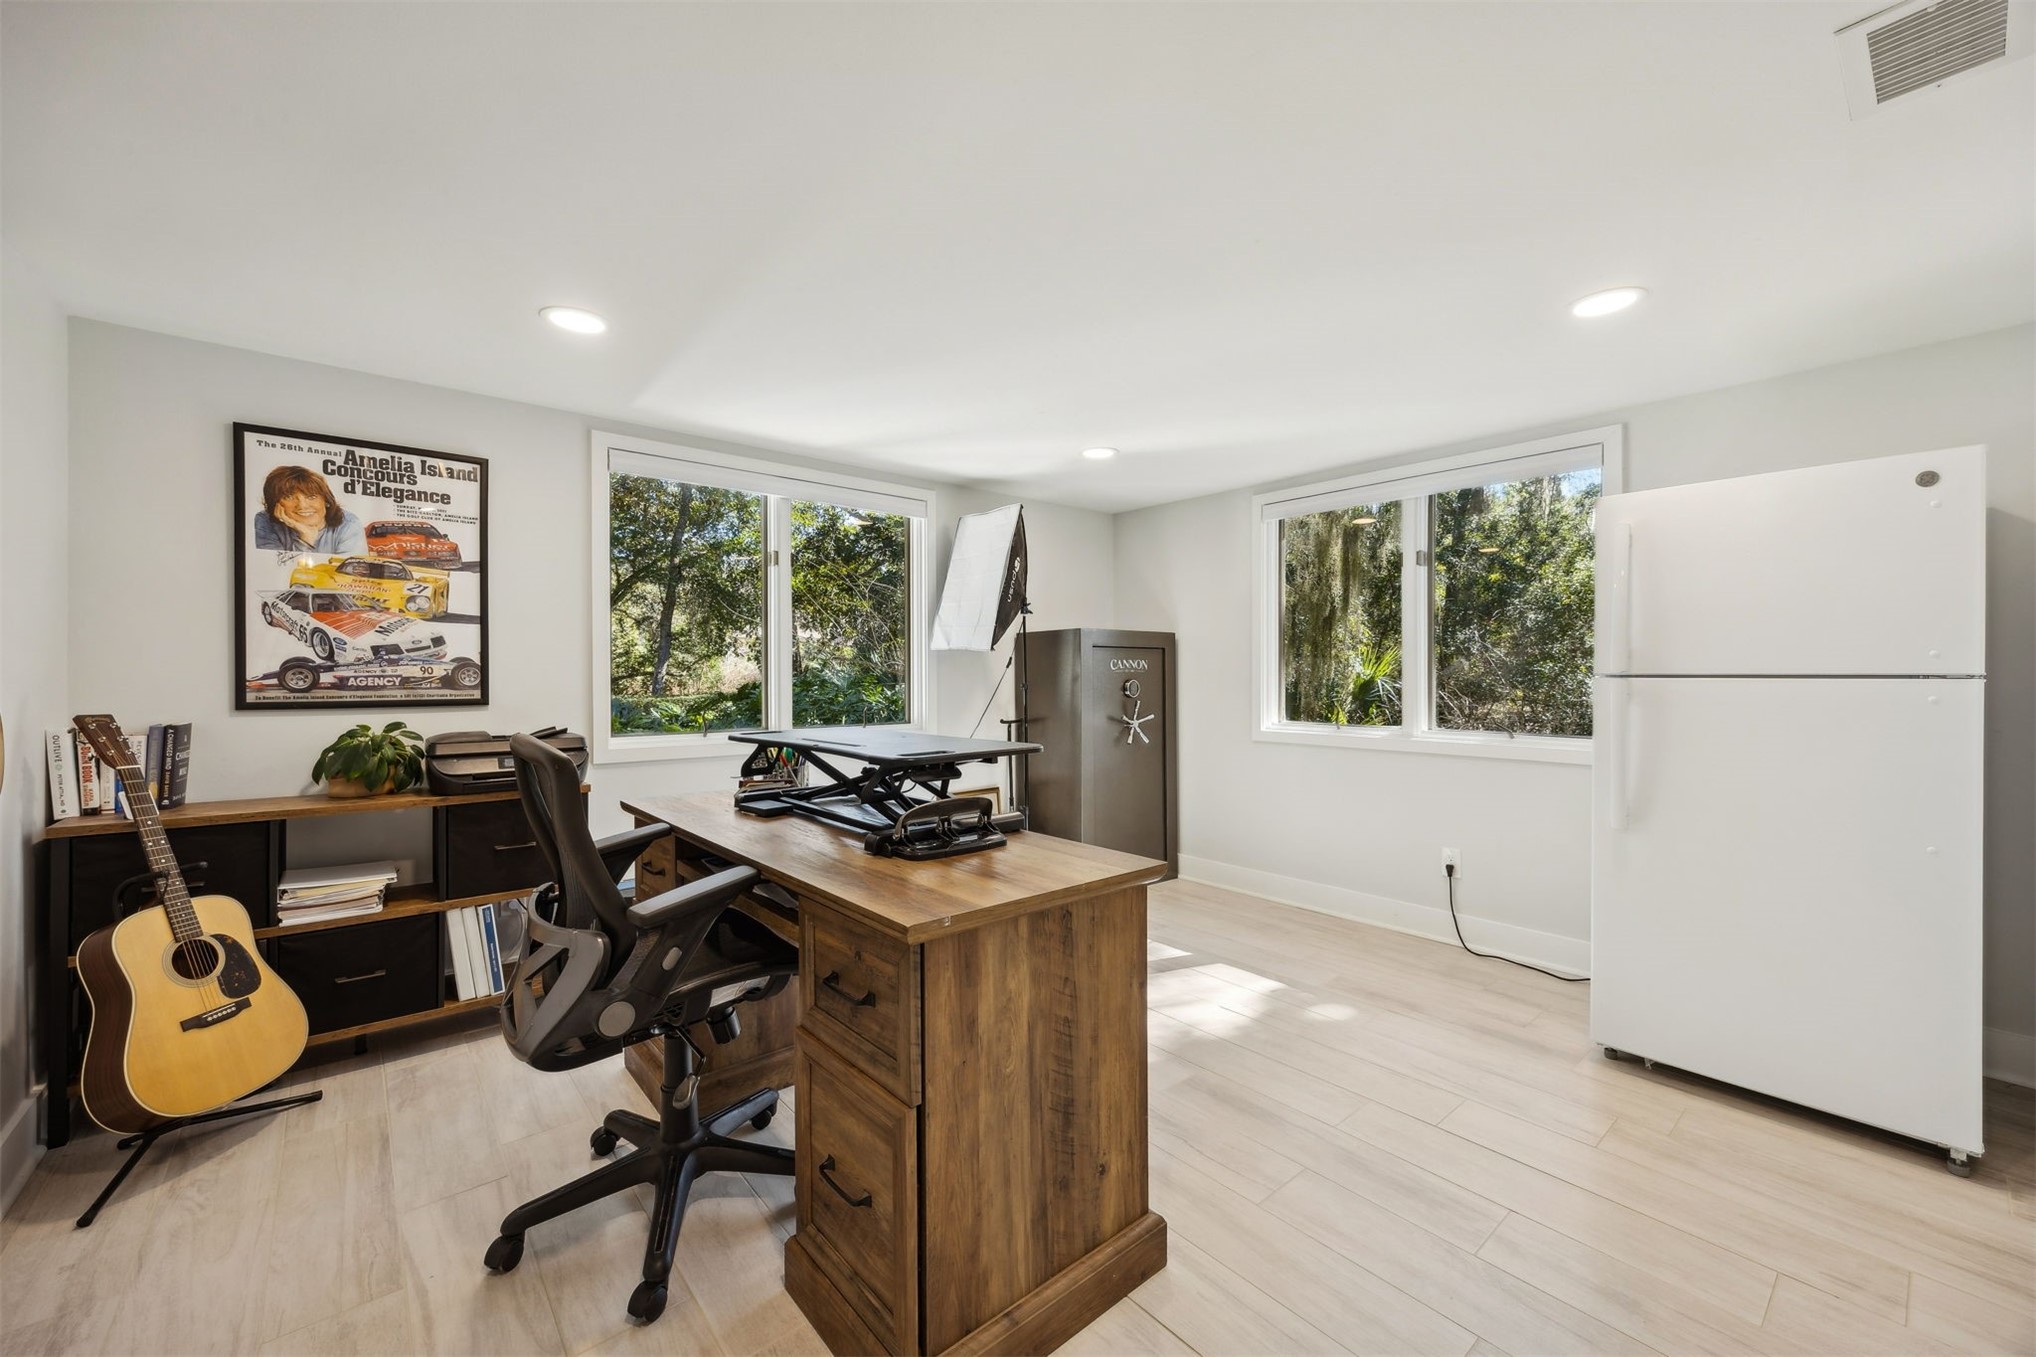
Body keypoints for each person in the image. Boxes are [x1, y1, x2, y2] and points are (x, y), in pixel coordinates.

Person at [254, 465, 365, 555]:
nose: (302, 506)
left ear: (326, 500)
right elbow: (274, 570)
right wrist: (305, 538)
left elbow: (351, 573)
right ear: (275, 503)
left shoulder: (348, 524)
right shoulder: (264, 521)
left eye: (311, 497)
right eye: (289, 497)